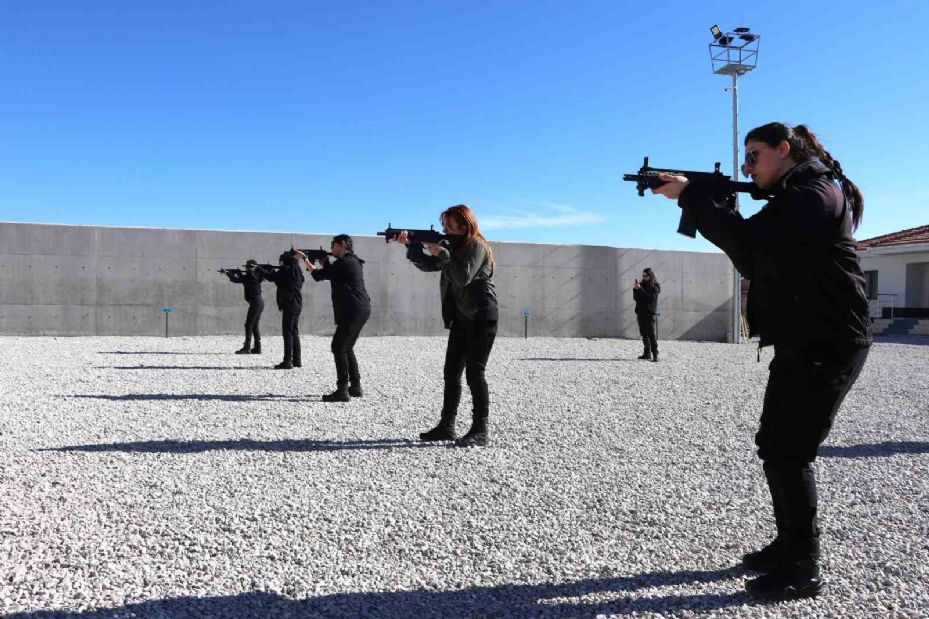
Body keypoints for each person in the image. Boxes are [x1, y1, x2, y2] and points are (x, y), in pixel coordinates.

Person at [651, 122, 871, 600]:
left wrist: (694, 199)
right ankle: (789, 546)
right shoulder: (799, 195)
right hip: (804, 339)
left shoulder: (814, 195)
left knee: (791, 452)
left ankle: (803, 567)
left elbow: (752, 246)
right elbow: (754, 255)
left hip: (828, 342)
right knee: (775, 445)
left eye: (753, 156)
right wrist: (707, 199)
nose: (747, 167)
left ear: (783, 150)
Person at [389, 205, 498, 447]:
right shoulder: (454, 248)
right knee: (451, 373)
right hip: (461, 316)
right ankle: (447, 426)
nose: (444, 230)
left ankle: (480, 430)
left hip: (481, 314)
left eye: (449, 226)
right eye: (444, 226)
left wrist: (443, 254)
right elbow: (428, 266)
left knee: (475, 373)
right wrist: (411, 245)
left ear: (464, 225)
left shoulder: (476, 246)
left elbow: (462, 277)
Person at [297, 235, 371, 402]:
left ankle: (342, 391)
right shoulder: (352, 261)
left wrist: (304, 259)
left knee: (338, 347)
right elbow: (333, 274)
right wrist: (325, 263)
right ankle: (355, 387)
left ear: (342, 245)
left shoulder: (345, 262)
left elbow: (318, 276)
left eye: (333, 245)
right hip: (359, 308)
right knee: (347, 347)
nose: (331, 248)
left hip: (352, 309)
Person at [263, 251, 305, 369]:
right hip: (297, 303)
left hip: (290, 304)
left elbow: (272, 278)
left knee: (287, 333)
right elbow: (285, 281)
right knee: (294, 332)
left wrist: (261, 271)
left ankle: (287, 361)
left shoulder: (286, 269)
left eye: (280, 260)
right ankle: (297, 360)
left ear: (285, 260)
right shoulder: (296, 269)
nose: (279, 262)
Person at [221, 259, 265, 355]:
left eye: (249, 267)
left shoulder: (253, 276)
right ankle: (257, 348)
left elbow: (239, 279)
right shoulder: (256, 276)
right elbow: (239, 279)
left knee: (249, 324)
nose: (248, 269)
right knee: (254, 325)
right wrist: (232, 273)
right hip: (259, 302)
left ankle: (247, 348)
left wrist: (229, 274)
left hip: (255, 302)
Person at [632, 268, 661, 362]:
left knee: (651, 335)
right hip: (640, 313)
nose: (644, 277)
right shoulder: (641, 285)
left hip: (649, 314)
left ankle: (655, 354)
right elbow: (636, 298)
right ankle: (647, 353)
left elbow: (650, 299)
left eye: (646, 275)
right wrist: (635, 290)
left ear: (650, 276)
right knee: (644, 334)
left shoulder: (654, 287)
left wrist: (640, 289)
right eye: (643, 275)